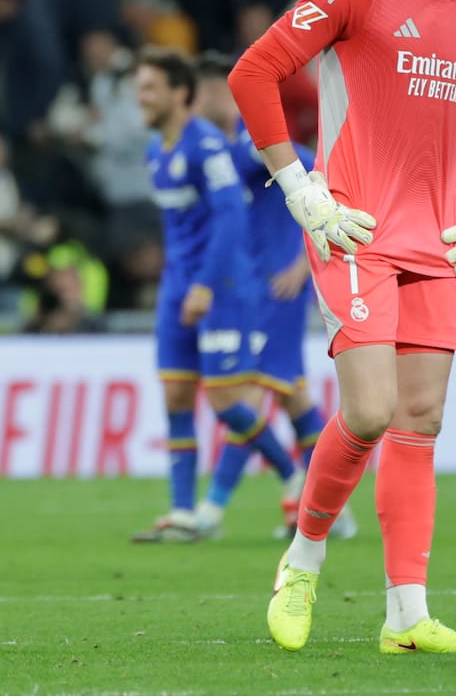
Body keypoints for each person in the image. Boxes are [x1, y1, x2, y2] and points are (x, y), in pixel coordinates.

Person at [229, 0, 456, 654]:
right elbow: (253, 71)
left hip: (436, 238)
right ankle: (303, 559)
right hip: (353, 226)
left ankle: (406, 614)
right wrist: (298, 186)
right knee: (368, 412)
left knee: (420, 421)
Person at [132, 46, 302, 544]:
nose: (140, 98)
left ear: (178, 93)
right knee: (176, 394)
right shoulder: (154, 150)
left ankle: (293, 475)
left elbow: (231, 218)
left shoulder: (206, 147)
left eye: (149, 89)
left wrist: (206, 284)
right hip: (178, 286)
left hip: (223, 287)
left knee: (227, 399)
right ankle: (183, 511)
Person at [193, 52, 357, 540]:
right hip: (244, 291)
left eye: (212, 91)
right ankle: (331, 511)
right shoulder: (209, 152)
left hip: (277, 290)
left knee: (245, 394)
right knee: (293, 398)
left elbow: (329, 183)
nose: (204, 101)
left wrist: (302, 264)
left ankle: (212, 509)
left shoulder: (255, 146)